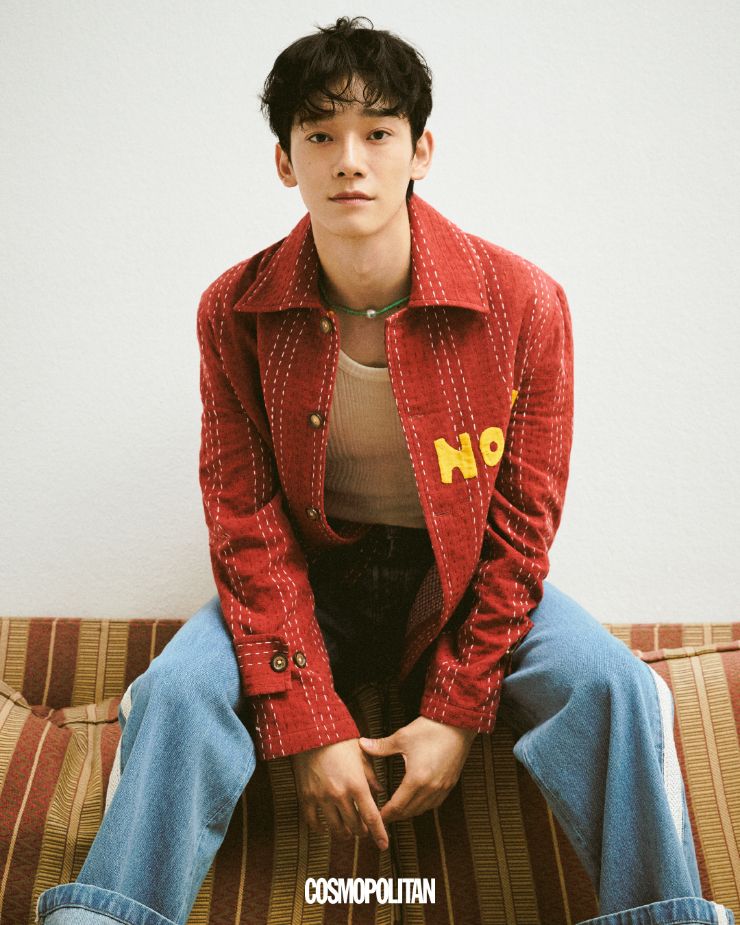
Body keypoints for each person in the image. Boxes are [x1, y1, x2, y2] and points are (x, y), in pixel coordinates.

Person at [36, 15, 735, 925]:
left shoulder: (522, 303)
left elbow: (524, 524)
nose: (350, 161)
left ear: (421, 151)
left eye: (377, 133)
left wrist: (458, 709)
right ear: (284, 160)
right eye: (320, 136)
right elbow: (245, 522)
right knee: (173, 690)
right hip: (312, 582)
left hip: (462, 580)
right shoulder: (234, 309)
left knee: (614, 685)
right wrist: (307, 721)